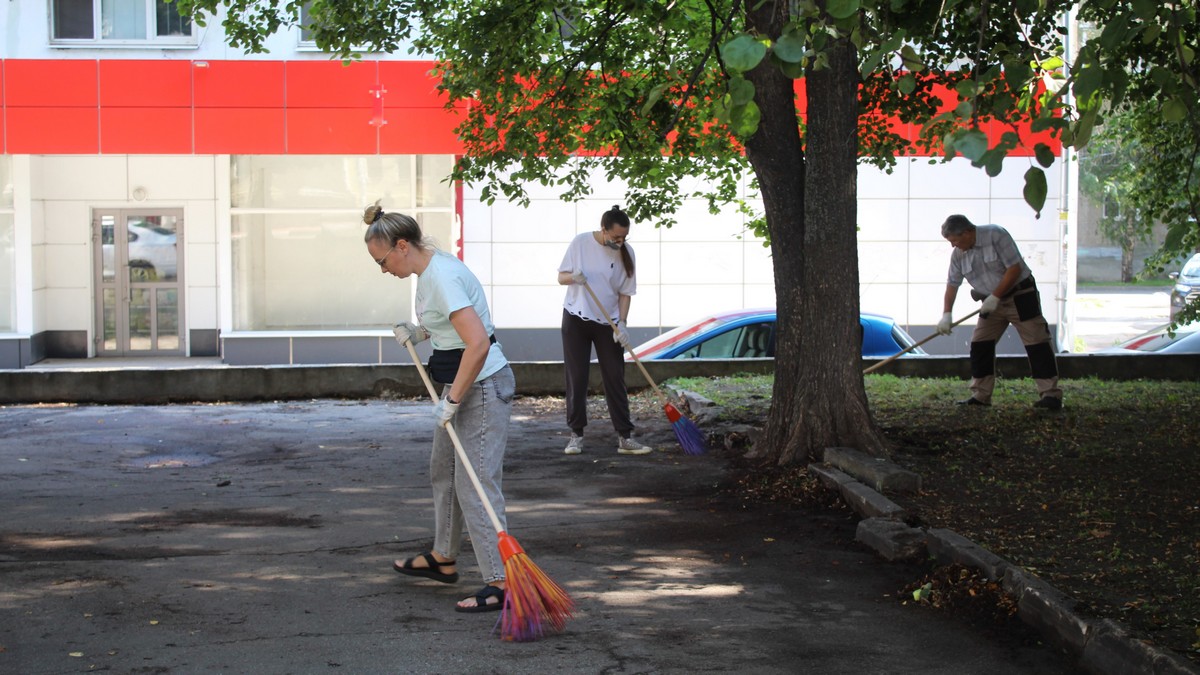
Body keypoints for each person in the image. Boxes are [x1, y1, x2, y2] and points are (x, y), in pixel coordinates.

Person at [363, 202, 516, 613]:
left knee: (475, 484)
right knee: (444, 470)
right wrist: (419, 332)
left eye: (381, 261)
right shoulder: (430, 271)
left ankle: (501, 582)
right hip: (462, 381)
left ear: (401, 246)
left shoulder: (442, 276)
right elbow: (450, 324)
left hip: (482, 385)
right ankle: (444, 557)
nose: (382, 270)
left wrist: (452, 400)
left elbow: (478, 343)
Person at [936, 214, 1063, 410]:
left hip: (1020, 295)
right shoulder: (958, 255)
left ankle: (1050, 395)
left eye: (955, 240)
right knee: (980, 344)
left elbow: (1014, 269)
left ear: (968, 232)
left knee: (1037, 342)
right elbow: (952, 284)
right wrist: (946, 315)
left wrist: (995, 296)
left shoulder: (995, 235)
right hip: (990, 303)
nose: (954, 246)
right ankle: (981, 395)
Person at [556, 205, 653, 456]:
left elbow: (625, 293)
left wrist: (622, 323)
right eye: (616, 237)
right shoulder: (580, 243)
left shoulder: (627, 253)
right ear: (603, 230)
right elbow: (561, 277)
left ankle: (625, 437)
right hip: (576, 318)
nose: (620, 242)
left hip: (608, 323)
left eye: (624, 237)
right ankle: (576, 435)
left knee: (615, 376)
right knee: (577, 377)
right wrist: (574, 277)